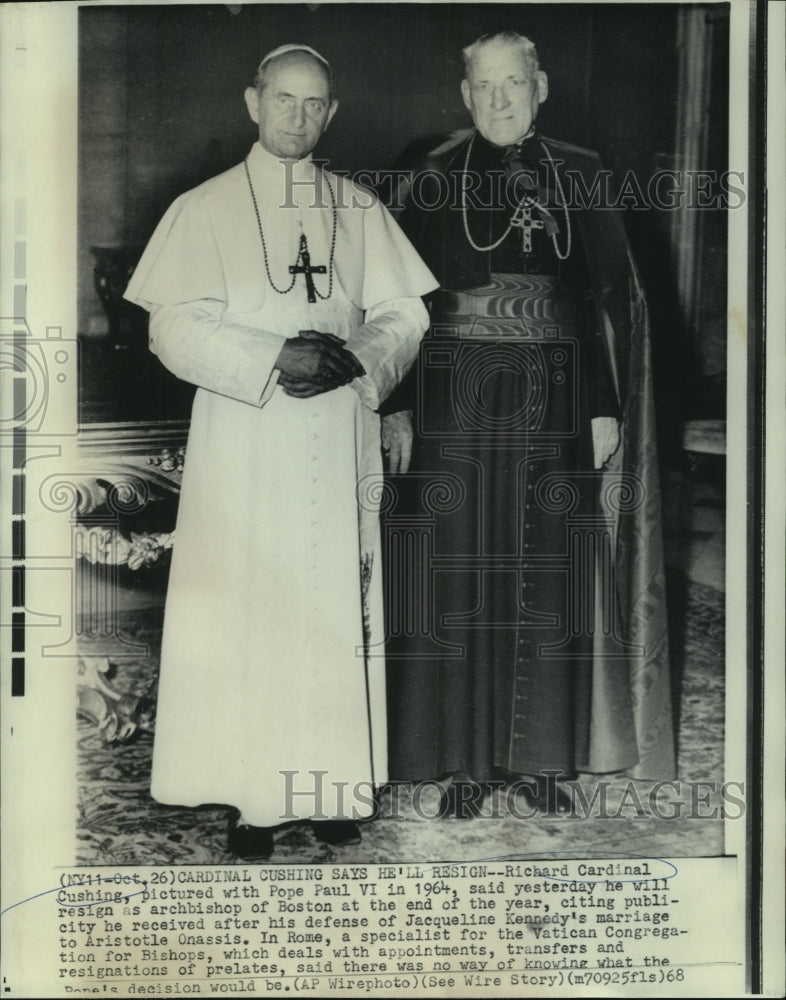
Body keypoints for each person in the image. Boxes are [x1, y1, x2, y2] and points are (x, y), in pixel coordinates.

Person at [124, 43, 437, 858]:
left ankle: (334, 784)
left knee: (336, 607)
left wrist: (360, 353)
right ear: (253, 103)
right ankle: (254, 794)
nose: (299, 117)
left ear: (331, 113)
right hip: (247, 433)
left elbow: (406, 312)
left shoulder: (361, 208)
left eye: (315, 105)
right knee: (253, 610)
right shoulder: (204, 208)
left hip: (340, 430)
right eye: (284, 101)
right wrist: (272, 358)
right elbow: (173, 324)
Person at [382, 30, 675, 816]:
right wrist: (399, 404)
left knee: (552, 569)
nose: (500, 99)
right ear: (465, 93)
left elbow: (610, 302)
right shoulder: (432, 174)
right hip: (450, 399)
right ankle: (464, 761)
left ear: (540, 86)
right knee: (457, 569)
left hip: (557, 393)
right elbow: (399, 307)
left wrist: (606, 405)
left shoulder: (581, 172)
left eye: (514, 83)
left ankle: (544, 758)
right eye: (485, 86)